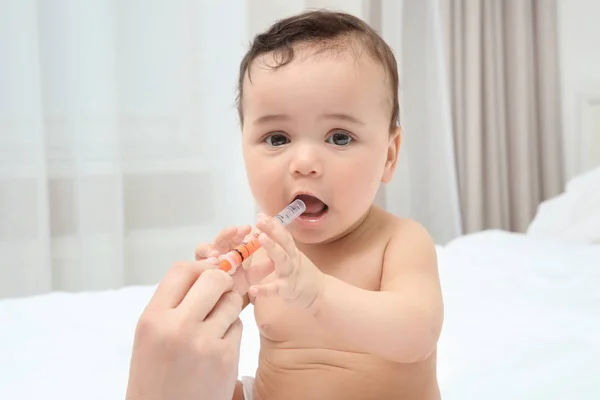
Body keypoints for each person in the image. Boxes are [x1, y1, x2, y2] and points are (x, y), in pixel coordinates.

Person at [129, 8, 444, 400]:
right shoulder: (264, 253)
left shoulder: (398, 242)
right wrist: (220, 284)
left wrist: (317, 294)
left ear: (389, 156)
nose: (305, 164)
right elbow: (198, 337)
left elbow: (417, 334)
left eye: (339, 137)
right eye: (277, 138)